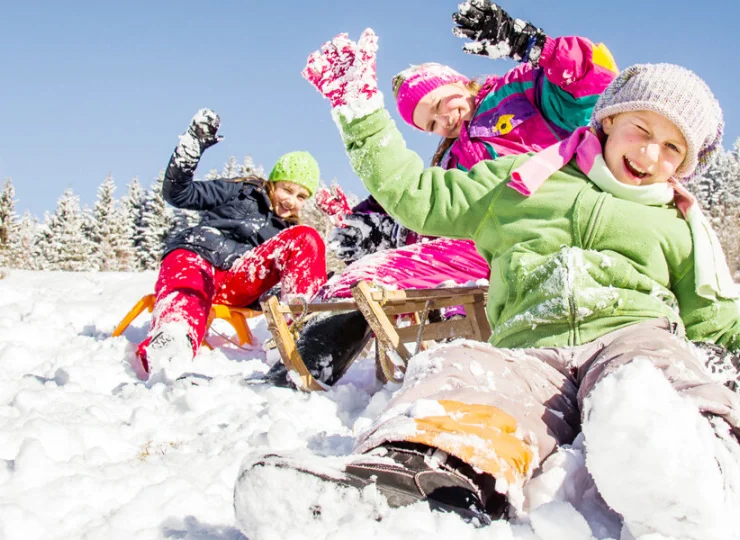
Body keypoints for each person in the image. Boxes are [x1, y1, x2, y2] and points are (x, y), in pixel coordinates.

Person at [235, 30, 740, 538]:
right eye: (640, 129)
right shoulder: (523, 178)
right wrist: (360, 110)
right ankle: (414, 484)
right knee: (464, 370)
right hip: (531, 344)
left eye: (673, 146)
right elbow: (417, 195)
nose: (651, 154)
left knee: (657, 374)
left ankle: (695, 470)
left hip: (632, 331)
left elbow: (712, 313)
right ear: (609, 121)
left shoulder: (676, 220)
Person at [264, 0, 619, 388]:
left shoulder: (519, 93)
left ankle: (310, 366)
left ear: (456, 80)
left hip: (543, 235)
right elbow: (434, 208)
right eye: (430, 124)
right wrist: (374, 221)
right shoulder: (450, 160)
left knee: (380, 275)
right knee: (369, 277)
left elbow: (595, 84)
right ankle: (301, 364)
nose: (443, 122)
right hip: (480, 251)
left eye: (438, 105)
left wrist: (531, 44)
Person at [136, 109, 327, 381]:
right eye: (287, 189)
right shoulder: (240, 191)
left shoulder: (288, 233)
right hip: (197, 256)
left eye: (301, 196)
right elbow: (178, 194)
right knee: (189, 286)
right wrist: (191, 148)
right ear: (272, 183)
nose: (291, 201)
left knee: (307, 237)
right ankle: (173, 340)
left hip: (239, 279)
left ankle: (294, 339)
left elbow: (277, 285)